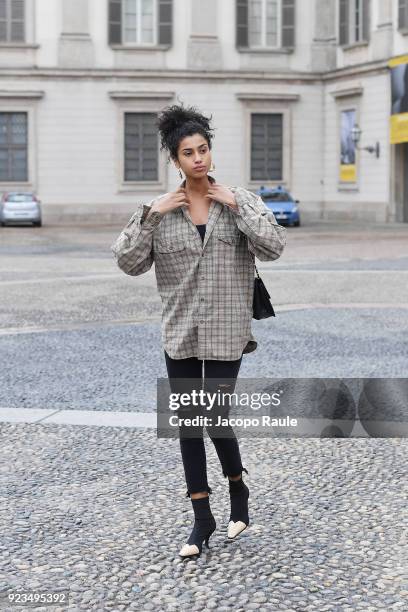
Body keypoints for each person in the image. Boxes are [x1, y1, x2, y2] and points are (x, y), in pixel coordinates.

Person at [110, 103, 287, 558]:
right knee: (189, 422)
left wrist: (236, 206)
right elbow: (129, 263)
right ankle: (202, 516)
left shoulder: (239, 201)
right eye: (187, 152)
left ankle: (238, 491)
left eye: (203, 149)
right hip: (181, 330)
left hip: (228, 328)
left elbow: (274, 247)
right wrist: (151, 213)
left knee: (215, 416)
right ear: (175, 160)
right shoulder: (158, 212)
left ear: (211, 152)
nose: (198, 159)